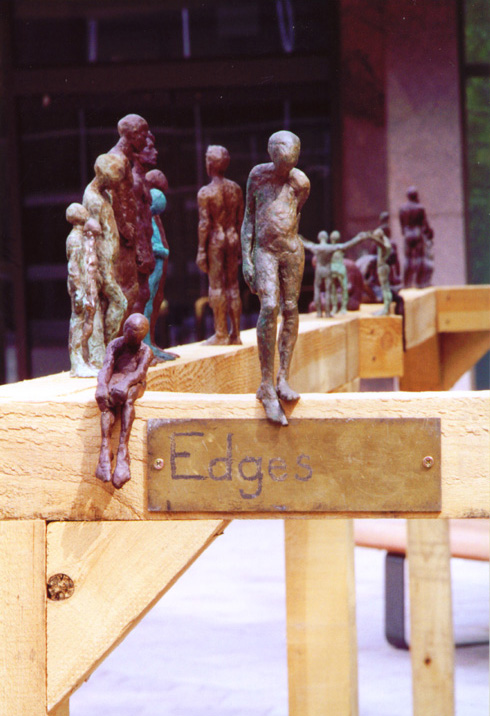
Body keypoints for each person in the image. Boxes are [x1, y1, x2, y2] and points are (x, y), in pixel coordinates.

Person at [241, 130, 309, 425]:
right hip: (265, 251)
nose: (285, 171)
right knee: (269, 307)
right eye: (281, 165)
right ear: (271, 155)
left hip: (291, 251)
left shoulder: (300, 182)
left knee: (291, 308)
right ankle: (266, 385)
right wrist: (247, 258)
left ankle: (283, 378)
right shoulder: (257, 176)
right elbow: (249, 218)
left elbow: (296, 214)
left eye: (290, 165)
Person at [95, 313, 153, 489]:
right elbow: (107, 367)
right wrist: (102, 386)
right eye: (129, 332)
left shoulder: (146, 351)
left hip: (135, 382)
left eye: (137, 334)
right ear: (124, 329)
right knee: (107, 401)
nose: (132, 337)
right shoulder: (115, 345)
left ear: (143, 335)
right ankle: (105, 446)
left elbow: (139, 373)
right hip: (117, 378)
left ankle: (123, 449)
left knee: (127, 398)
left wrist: (125, 384)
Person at [196, 145, 244, 345]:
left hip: (216, 239)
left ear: (210, 164)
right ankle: (235, 334)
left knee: (216, 286)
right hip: (233, 238)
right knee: (233, 285)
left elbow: (204, 224)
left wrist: (201, 250)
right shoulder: (236, 189)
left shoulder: (205, 192)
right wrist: (240, 245)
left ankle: (221, 334)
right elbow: (240, 221)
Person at [109, 114, 155, 313]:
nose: (145, 141)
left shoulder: (124, 161)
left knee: (137, 293)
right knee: (128, 293)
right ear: (134, 134)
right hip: (122, 240)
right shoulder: (116, 161)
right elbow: (112, 198)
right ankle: (126, 334)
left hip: (130, 238)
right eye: (143, 136)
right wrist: (125, 229)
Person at [83, 153, 128, 344]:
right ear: (104, 178)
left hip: (109, 260)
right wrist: (98, 269)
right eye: (113, 182)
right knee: (120, 302)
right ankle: (107, 345)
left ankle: (106, 346)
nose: (115, 186)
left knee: (107, 303)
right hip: (102, 263)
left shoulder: (104, 194)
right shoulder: (93, 200)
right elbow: (92, 235)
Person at [399, 186, 434, 288]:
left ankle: (406, 283)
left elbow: (402, 225)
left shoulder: (402, 209)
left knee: (408, 258)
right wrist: (429, 233)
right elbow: (425, 224)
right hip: (417, 233)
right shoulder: (420, 208)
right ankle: (419, 282)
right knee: (419, 258)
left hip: (408, 234)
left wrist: (405, 232)